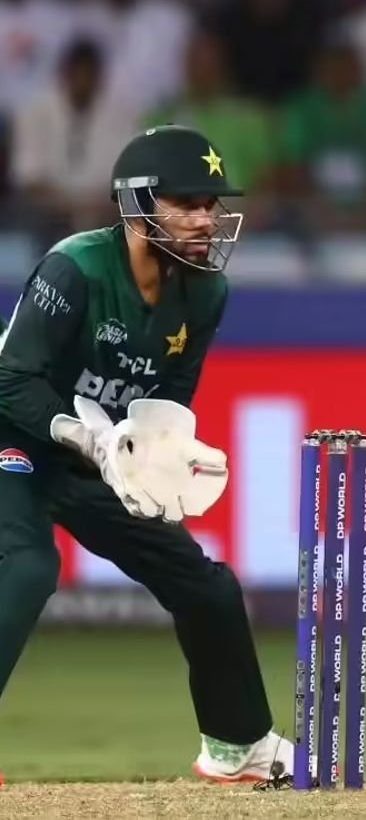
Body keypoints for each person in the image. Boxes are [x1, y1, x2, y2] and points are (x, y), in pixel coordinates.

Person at [0, 124, 292, 784]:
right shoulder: (74, 267)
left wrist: (160, 456)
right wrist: (85, 436)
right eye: (187, 204)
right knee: (27, 566)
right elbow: (11, 380)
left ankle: (237, 744)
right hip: (15, 435)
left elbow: (168, 401)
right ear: (137, 205)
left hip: (98, 458)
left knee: (205, 585)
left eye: (211, 205)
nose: (206, 220)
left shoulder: (206, 292)